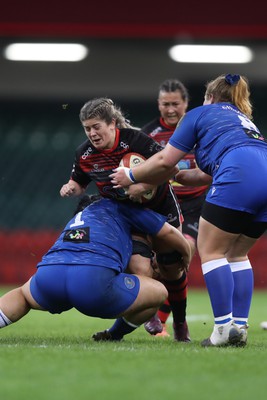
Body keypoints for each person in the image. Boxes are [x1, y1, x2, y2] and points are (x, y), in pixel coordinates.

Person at [110, 73, 267, 347]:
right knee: (238, 253)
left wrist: (131, 176)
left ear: (210, 97)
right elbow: (204, 175)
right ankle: (238, 327)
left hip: (238, 171)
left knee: (211, 250)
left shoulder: (199, 114)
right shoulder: (243, 120)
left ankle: (221, 328)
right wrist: (179, 176)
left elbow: (163, 159)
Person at [60, 97, 191, 342]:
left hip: (162, 208)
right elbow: (78, 183)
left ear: (112, 124)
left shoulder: (136, 140)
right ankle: (145, 315)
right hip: (128, 216)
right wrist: (70, 187)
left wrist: (143, 185)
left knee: (171, 269)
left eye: (96, 126)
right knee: (140, 268)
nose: (92, 133)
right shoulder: (84, 154)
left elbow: (171, 169)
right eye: (87, 128)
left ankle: (180, 324)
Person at [0, 195, 191, 341]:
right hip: (91, 282)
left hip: (51, 274)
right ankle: (114, 335)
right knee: (158, 291)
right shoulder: (121, 206)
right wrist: (187, 254)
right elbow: (168, 232)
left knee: (22, 295)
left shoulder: (78, 218)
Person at [141, 79, 209, 338]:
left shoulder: (199, 130)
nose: (170, 109)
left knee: (183, 251)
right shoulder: (148, 134)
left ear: (186, 104)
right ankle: (163, 321)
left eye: (175, 104)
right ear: (159, 104)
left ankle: (164, 320)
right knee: (160, 263)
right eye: (165, 104)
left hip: (195, 206)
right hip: (163, 204)